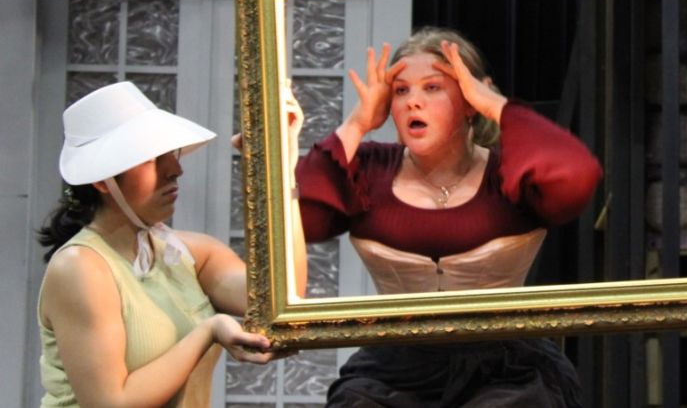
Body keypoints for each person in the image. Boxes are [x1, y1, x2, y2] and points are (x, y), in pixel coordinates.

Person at [294, 26, 602, 407]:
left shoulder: (511, 176)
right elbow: (301, 218)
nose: (413, 103)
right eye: (401, 90)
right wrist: (356, 123)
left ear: (470, 99)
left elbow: (576, 178)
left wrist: (492, 104)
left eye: (433, 87)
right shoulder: (368, 170)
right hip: (394, 370)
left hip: (508, 369)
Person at [37, 81, 282, 407]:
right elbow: (111, 403)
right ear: (102, 180)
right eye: (151, 158)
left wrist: (277, 168)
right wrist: (207, 332)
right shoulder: (80, 267)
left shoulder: (190, 255)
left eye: (171, 154)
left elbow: (280, 302)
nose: (175, 170)